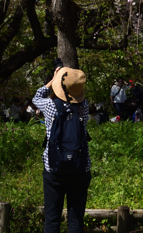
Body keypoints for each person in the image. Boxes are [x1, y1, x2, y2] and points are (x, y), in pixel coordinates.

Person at [33, 67, 91, 233]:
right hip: (80, 169)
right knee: (76, 221)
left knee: (52, 222)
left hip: (54, 169)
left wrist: (52, 80)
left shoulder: (50, 106)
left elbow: (36, 97)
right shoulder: (84, 107)